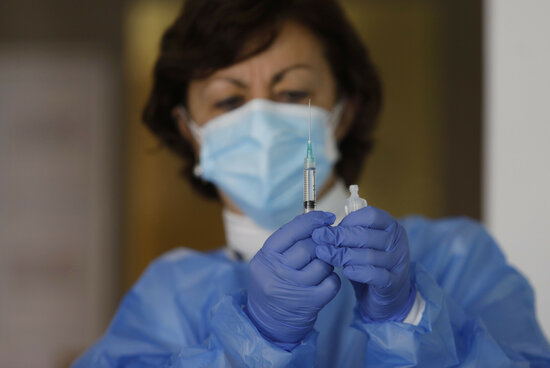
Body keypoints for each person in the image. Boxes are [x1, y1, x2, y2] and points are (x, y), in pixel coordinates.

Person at [73, 0, 550, 367]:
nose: (260, 119)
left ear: (345, 112)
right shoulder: (167, 295)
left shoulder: (456, 258)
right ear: (188, 129)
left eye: (293, 93)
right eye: (227, 101)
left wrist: (409, 314)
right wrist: (256, 338)